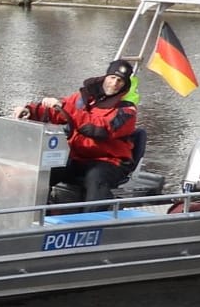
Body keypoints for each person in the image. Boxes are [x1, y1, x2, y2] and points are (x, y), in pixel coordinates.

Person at [17, 59, 141, 206]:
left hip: (108, 161)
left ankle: (93, 223)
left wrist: (64, 107)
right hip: (77, 156)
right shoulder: (84, 98)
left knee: (96, 178)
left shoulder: (127, 111)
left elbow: (99, 129)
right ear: (105, 77)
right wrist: (29, 111)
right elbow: (58, 112)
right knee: (44, 170)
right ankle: (28, 209)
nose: (114, 83)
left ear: (125, 85)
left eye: (120, 81)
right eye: (112, 77)